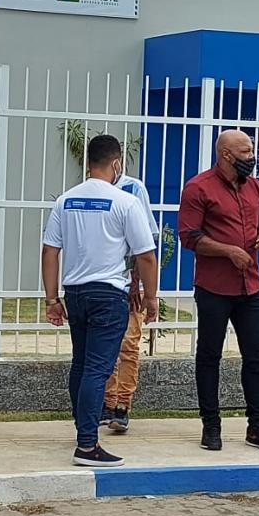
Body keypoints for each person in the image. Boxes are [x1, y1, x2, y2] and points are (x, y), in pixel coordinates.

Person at [42, 134, 158, 467]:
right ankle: (88, 445)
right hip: (108, 294)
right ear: (117, 163)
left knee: (81, 364)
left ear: (88, 162)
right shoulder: (124, 201)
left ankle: (84, 429)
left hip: (75, 293)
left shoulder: (66, 200)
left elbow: (50, 251)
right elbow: (145, 256)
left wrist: (52, 299)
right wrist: (150, 297)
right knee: (97, 368)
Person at [178, 129, 259, 453]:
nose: (252, 157)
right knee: (209, 357)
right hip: (214, 287)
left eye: (251, 151)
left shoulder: (255, 186)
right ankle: (211, 425)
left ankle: (258, 425)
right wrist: (228, 251)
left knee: (256, 357)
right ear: (225, 155)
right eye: (246, 152)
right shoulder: (198, 187)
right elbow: (189, 236)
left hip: (250, 285)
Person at [99, 169, 159, 434]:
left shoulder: (133, 189)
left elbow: (147, 239)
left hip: (128, 284)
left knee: (128, 345)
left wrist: (137, 282)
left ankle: (123, 405)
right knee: (103, 347)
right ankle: (107, 403)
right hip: (102, 282)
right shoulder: (92, 189)